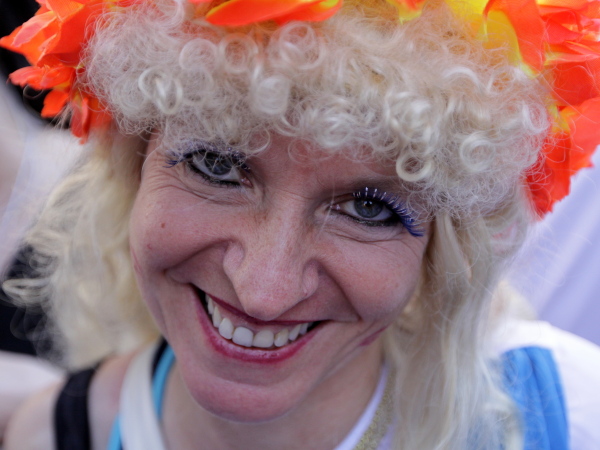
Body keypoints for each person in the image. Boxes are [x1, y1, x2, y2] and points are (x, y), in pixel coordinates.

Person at [1, 0, 600, 448]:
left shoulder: (572, 417)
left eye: (368, 208)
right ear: (134, 166)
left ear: (442, 247)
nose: (264, 291)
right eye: (217, 166)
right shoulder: (43, 435)